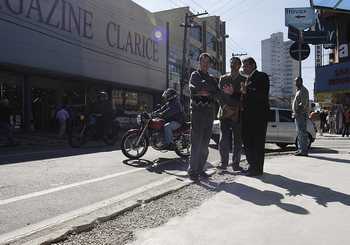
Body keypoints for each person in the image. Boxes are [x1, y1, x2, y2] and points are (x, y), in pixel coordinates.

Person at [188, 53, 223, 181]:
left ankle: (201, 169)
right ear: (199, 63)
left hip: (209, 114)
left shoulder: (212, 78)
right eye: (203, 62)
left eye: (208, 62)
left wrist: (206, 90)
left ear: (210, 64)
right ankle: (192, 171)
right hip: (197, 113)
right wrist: (207, 90)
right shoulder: (195, 75)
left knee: (205, 145)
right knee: (196, 144)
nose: (205, 64)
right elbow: (194, 88)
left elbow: (217, 93)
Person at [241, 57, 270, 177]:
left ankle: (257, 169)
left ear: (253, 65)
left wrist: (247, 90)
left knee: (257, 143)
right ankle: (251, 165)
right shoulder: (247, 79)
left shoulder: (261, 76)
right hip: (247, 116)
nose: (243, 68)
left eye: (245, 65)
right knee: (247, 141)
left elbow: (262, 95)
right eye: (243, 66)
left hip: (258, 116)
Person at [217, 57, 245, 171]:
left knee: (237, 140)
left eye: (235, 63)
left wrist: (236, 109)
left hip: (237, 113)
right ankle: (223, 163)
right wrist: (225, 107)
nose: (232, 65)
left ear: (239, 65)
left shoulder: (243, 79)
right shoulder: (223, 78)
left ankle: (236, 164)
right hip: (224, 112)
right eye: (231, 63)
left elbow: (244, 96)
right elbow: (219, 95)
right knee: (223, 139)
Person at [292, 77, 310, 156]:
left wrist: (297, 112)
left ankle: (304, 151)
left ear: (300, 82)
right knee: (299, 133)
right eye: (295, 82)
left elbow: (303, 104)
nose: (295, 84)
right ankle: (300, 149)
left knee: (302, 132)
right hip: (297, 115)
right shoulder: (298, 91)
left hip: (301, 114)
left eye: (296, 82)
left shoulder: (304, 90)